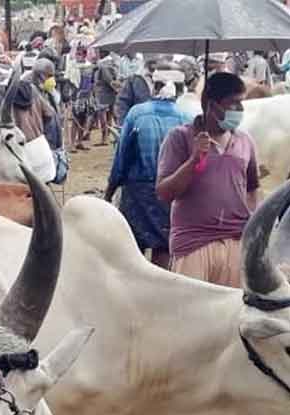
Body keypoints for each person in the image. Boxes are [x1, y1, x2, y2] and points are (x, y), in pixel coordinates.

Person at [157, 73, 259, 287]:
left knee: (233, 315)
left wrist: (248, 224)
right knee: (191, 314)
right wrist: (194, 159)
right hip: (193, 244)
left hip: (235, 243)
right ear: (211, 105)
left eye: (242, 103)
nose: (239, 110)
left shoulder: (245, 141)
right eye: (233, 103)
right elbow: (164, 192)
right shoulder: (180, 138)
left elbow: (251, 189)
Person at [106, 70, 190, 269]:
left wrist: (110, 189)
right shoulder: (187, 117)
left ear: (154, 87)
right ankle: (159, 289)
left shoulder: (137, 113)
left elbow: (122, 156)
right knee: (163, 245)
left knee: (133, 245)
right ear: (179, 91)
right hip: (171, 192)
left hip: (137, 191)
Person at [115, 58, 157, 124]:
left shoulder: (166, 80)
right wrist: (124, 123)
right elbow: (122, 103)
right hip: (138, 123)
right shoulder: (134, 80)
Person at [93, 51, 119, 146]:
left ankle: (105, 138)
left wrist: (115, 87)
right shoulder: (112, 62)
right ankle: (109, 136)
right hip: (111, 92)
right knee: (110, 115)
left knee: (103, 115)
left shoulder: (103, 64)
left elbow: (109, 80)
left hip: (103, 92)